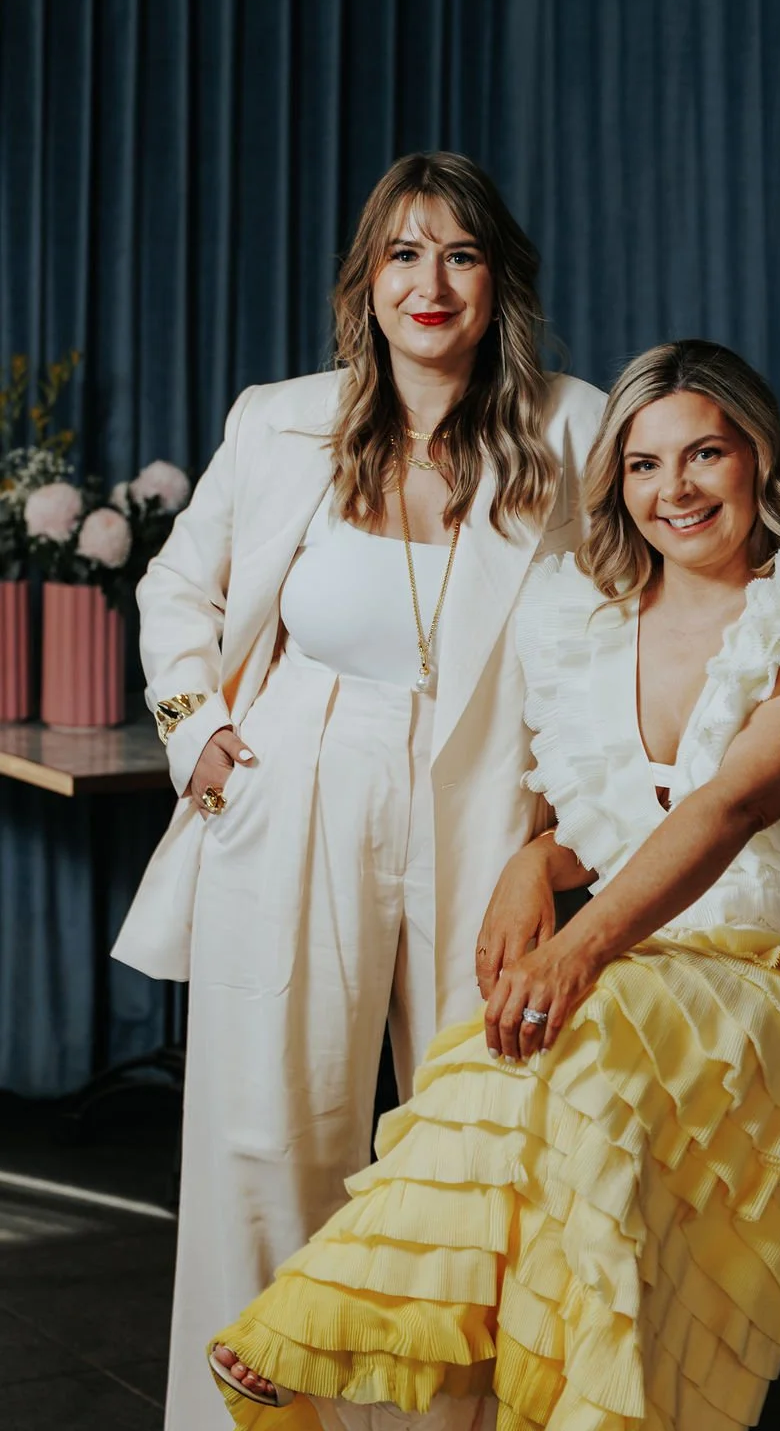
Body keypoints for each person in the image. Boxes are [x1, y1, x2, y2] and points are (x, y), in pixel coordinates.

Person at [207, 338, 780, 1431]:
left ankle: (337, 1310)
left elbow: (730, 805)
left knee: (584, 1020)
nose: (675, 489)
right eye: (643, 464)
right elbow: (621, 815)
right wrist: (537, 859)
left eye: (705, 453)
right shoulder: (587, 620)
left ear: (759, 458)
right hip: (666, 971)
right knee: (540, 1052)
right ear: (616, 484)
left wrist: (578, 946)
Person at [111, 151, 606, 1431]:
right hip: (297, 779)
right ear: (365, 281)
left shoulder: (576, 426)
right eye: (403, 253)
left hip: (491, 799)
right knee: (263, 1137)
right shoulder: (278, 420)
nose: (429, 282)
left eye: (460, 254)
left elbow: (628, 625)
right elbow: (178, 586)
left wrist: (563, 839)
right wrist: (193, 725)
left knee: (470, 1144)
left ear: (498, 281)